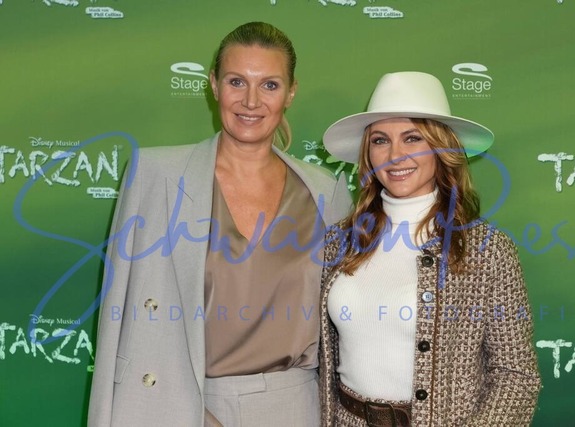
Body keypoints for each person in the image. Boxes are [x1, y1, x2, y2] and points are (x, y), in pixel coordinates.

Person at [88, 22, 351, 427]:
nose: (251, 101)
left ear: (291, 92)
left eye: (269, 85)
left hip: (296, 409)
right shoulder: (155, 175)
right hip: (178, 405)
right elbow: (117, 317)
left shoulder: (325, 192)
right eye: (236, 82)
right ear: (213, 84)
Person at [318, 71, 541, 426]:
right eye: (380, 140)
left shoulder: (487, 251)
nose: (395, 155)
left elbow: (515, 375)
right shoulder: (338, 242)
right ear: (368, 154)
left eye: (412, 138)